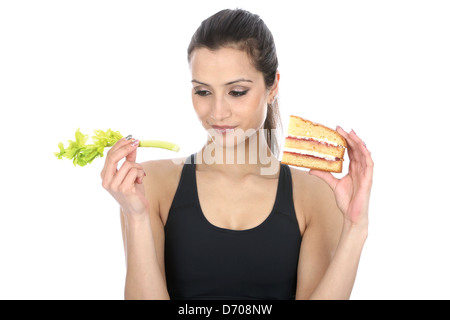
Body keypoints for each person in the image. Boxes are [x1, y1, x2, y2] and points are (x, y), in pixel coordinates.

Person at [100, 8, 374, 300]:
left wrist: (356, 228)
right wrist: (137, 217)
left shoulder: (314, 193)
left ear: (273, 87)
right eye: (203, 92)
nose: (218, 112)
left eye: (237, 92)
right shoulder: (148, 184)